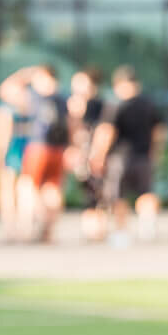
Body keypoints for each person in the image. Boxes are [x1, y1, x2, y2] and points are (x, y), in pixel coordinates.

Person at [87, 66, 164, 249]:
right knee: (146, 193)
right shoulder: (149, 104)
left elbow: (107, 132)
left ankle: (122, 232)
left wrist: (98, 156)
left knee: (119, 197)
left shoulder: (115, 105)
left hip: (120, 158)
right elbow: (159, 131)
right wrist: (156, 153)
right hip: (143, 156)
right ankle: (147, 224)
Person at [3, 64, 69, 243]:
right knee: (53, 189)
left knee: (27, 186)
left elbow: (5, 90)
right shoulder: (62, 99)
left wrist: (28, 74)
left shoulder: (33, 96)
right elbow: (72, 124)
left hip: (38, 147)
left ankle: (33, 222)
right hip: (59, 148)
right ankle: (48, 228)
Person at [67, 70, 108, 242]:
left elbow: (103, 130)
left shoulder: (99, 105)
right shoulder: (72, 105)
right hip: (82, 154)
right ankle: (90, 230)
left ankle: (99, 230)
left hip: (96, 153)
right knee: (87, 191)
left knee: (99, 191)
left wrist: (97, 152)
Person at [0, 87, 30, 238]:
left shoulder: (5, 110)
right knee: (25, 189)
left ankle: (10, 226)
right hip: (27, 150)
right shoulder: (29, 110)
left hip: (10, 151)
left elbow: (2, 135)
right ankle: (25, 225)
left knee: (6, 190)